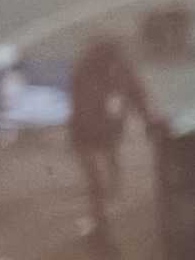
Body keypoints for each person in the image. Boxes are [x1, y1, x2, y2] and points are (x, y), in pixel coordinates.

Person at [65, 29, 163, 247]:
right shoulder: (85, 75)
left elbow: (137, 94)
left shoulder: (122, 69)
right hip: (86, 136)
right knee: (96, 182)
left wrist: (148, 120)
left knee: (109, 165)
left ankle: (111, 189)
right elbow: (85, 112)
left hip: (108, 132)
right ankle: (100, 225)